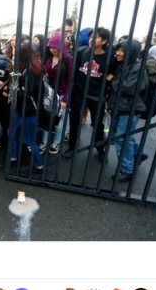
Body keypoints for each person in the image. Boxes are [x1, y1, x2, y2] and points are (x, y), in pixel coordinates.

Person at [107, 40, 149, 182]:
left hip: (129, 109)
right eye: (118, 50)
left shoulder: (137, 67)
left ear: (130, 53)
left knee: (121, 138)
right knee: (125, 136)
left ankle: (127, 169)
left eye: (122, 51)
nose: (118, 53)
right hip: (121, 106)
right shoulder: (124, 64)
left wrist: (113, 80)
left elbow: (128, 88)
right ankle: (139, 153)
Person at [68, 27, 111, 160]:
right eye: (91, 37)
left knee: (98, 124)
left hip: (97, 96)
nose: (91, 40)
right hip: (79, 94)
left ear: (104, 41)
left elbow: (113, 74)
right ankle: (72, 147)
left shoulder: (109, 58)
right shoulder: (82, 52)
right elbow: (74, 72)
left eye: (96, 37)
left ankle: (100, 149)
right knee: (74, 122)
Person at [8, 41, 44, 174]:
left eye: (15, 51)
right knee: (12, 132)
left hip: (28, 111)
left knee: (29, 139)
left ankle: (38, 164)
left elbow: (27, 94)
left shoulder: (29, 71)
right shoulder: (24, 67)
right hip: (21, 108)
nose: (13, 52)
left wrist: (12, 88)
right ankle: (13, 157)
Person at [40, 32, 72, 155]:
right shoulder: (47, 58)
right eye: (51, 47)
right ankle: (44, 141)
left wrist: (65, 99)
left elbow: (70, 80)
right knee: (47, 117)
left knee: (59, 120)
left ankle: (57, 142)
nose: (53, 49)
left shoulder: (69, 59)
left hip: (63, 94)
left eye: (56, 47)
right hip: (49, 92)